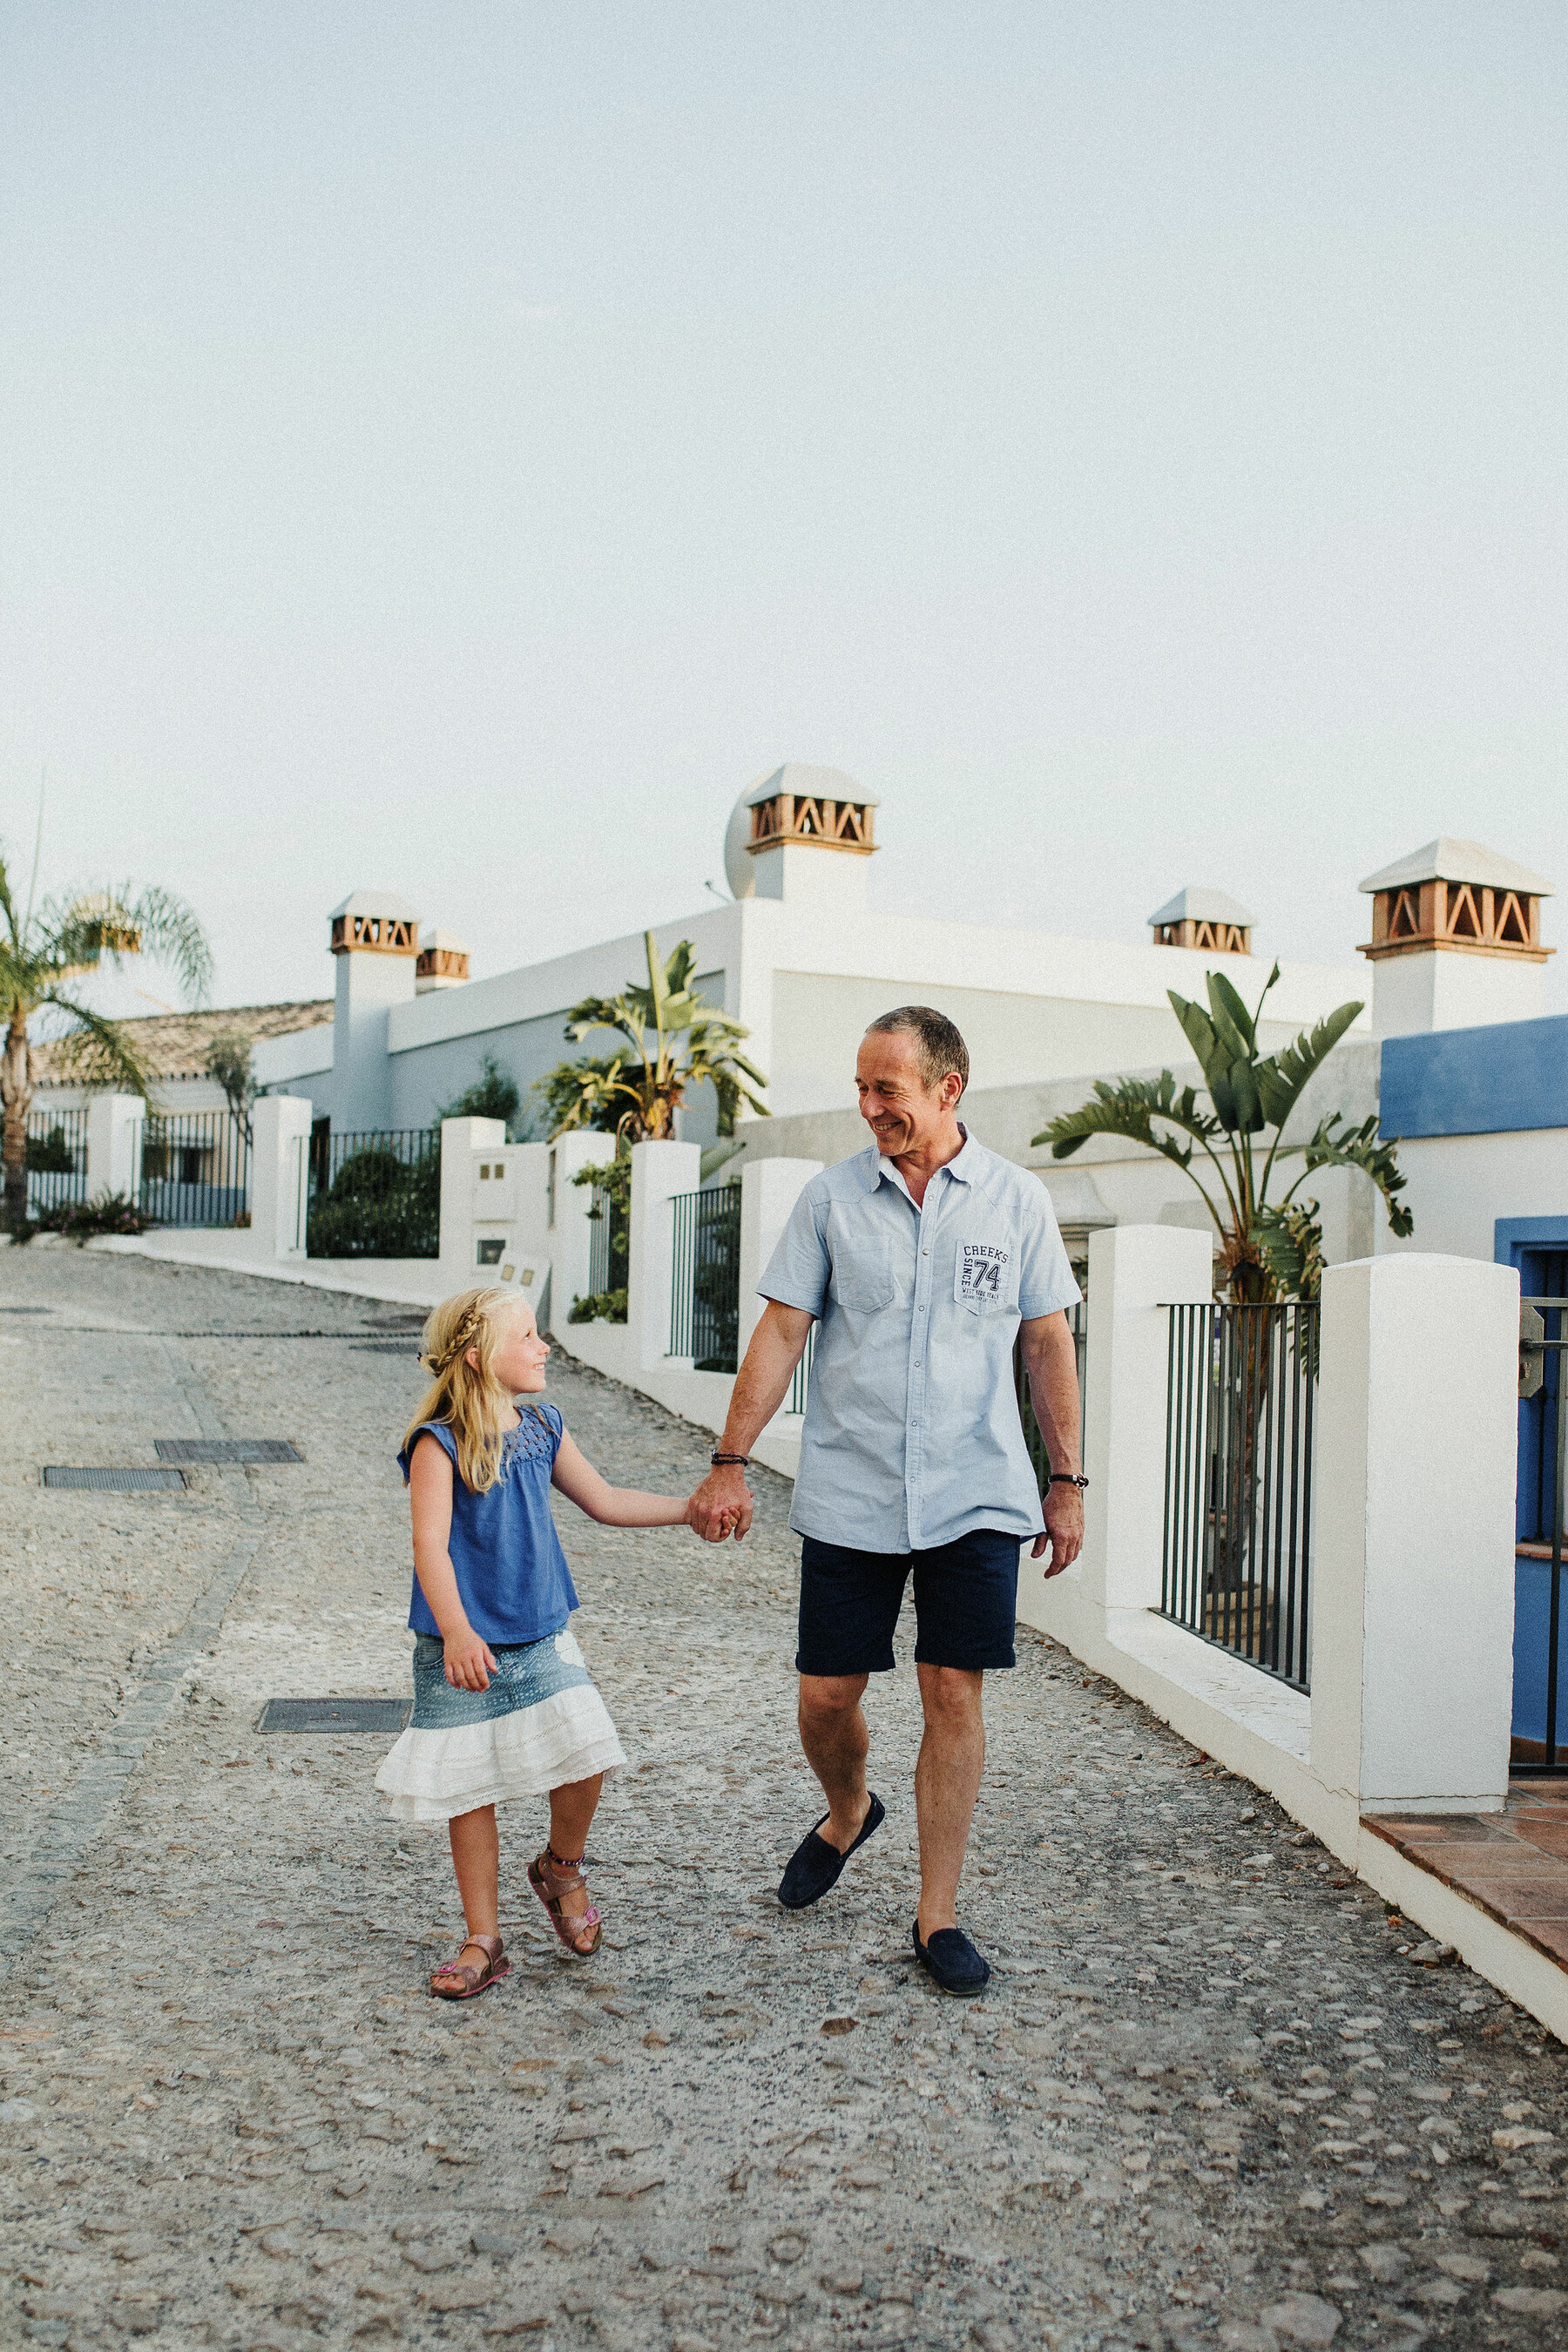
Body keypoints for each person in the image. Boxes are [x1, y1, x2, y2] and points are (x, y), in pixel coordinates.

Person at [687, 1006, 1085, 1996]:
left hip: (977, 1490)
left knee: (953, 1691)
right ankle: (847, 1807)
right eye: (863, 1089)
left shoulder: (1017, 1202)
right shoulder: (830, 1200)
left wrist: (1067, 1480)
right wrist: (730, 1459)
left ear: (948, 1090)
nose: (869, 1108)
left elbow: (1046, 1345)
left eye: (888, 1091)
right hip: (853, 1486)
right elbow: (781, 1334)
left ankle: (937, 1912)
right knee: (827, 1697)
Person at [375, 1286, 711, 1998]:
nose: (543, 1346)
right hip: (461, 1645)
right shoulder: (437, 1444)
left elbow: (607, 1500)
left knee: (588, 1750)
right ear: (477, 1358)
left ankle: (561, 1867)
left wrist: (689, 1511)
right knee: (470, 1788)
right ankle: (483, 1939)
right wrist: (458, 1630)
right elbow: (428, 1547)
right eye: (527, 1335)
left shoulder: (544, 1428)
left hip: (540, 1633)